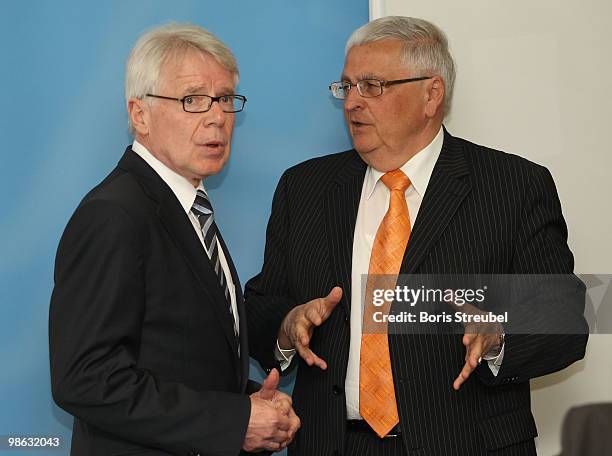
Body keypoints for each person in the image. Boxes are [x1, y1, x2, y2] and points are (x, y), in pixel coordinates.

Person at [245, 16, 588, 456]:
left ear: (432, 94)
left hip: (468, 445)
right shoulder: (305, 188)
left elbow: (564, 321)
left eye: (372, 86)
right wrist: (286, 327)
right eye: (346, 86)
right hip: (335, 444)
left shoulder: (513, 185)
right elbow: (260, 308)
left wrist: (499, 334)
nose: (352, 103)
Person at [49, 23, 299, 456]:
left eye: (224, 99)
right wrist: (234, 420)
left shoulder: (188, 206)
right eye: (193, 100)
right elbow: (86, 378)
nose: (217, 116)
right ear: (139, 114)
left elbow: (182, 362)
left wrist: (252, 405)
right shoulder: (114, 214)